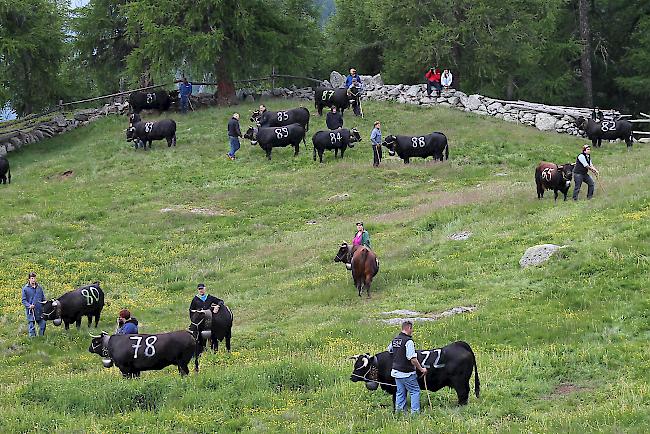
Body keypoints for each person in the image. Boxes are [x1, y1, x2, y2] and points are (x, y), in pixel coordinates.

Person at [387, 321, 428, 414]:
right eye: (411, 329)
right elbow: (412, 359)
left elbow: (389, 350)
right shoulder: (408, 341)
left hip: (396, 372)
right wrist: (421, 369)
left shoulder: (395, 339)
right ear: (408, 328)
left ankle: (400, 413)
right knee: (415, 391)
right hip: (407, 373)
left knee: (400, 393)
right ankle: (415, 414)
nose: (412, 331)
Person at [21, 272, 46, 337]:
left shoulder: (39, 288)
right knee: (32, 326)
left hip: (39, 310)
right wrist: (29, 305)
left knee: (43, 324)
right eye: (32, 278)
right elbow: (23, 300)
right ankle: (33, 340)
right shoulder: (25, 289)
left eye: (34, 278)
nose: (33, 280)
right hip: (31, 311)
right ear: (29, 279)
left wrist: (45, 303)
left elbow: (43, 298)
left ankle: (41, 337)